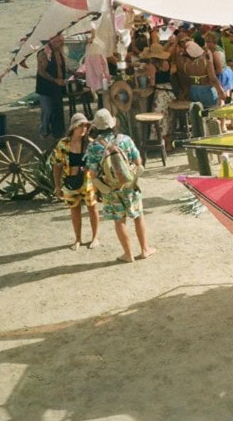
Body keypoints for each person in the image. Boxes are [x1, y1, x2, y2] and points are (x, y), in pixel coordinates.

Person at [85, 109, 152, 263]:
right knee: (138, 216)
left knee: (119, 220)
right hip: (130, 185)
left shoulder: (93, 147)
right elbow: (138, 163)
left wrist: (99, 191)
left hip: (110, 189)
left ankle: (128, 255)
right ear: (112, 123)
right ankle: (145, 250)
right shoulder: (125, 140)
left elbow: (93, 174)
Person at [52, 113, 100, 252]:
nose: (83, 128)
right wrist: (57, 185)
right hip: (69, 182)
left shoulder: (90, 143)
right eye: (80, 125)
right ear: (73, 128)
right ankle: (78, 239)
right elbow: (57, 165)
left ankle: (95, 237)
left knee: (92, 208)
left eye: (85, 125)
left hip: (87, 181)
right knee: (74, 209)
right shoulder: (63, 144)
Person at [139, 42, 174, 141]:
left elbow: (153, 83)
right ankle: (169, 141)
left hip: (160, 93)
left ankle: (162, 141)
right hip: (169, 90)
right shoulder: (166, 63)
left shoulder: (152, 66)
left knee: (161, 118)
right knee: (169, 117)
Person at [36, 33, 67, 139]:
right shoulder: (44, 53)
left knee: (58, 109)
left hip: (57, 87)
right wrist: (54, 80)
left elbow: (61, 66)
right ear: (51, 41)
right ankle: (44, 130)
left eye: (61, 41)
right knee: (47, 110)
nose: (61, 43)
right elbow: (41, 72)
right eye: (58, 41)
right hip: (46, 87)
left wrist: (73, 72)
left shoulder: (59, 51)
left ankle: (58, 132)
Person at [178, 40, 224, 110]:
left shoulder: (185, 65)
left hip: (193, 91)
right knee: (210, 113)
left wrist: (183, 95)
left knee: (198, 113)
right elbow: (213, 79)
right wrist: (221, 92)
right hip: (206, 91)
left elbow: (186, 83)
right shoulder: (207, 63)